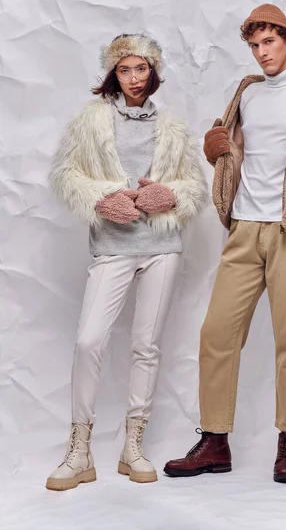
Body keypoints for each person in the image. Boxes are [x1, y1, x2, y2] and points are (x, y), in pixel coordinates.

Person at [164, 4, 286, 483]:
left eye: (269, 41)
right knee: (217, 334)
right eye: (254, 44)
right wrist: (216, 149)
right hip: (244, 229)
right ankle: (215, 442)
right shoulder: (246, 90)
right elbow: (230, 146)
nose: (261, 52)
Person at [46, 33, 208, 491]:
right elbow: (65, 174)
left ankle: (132, 446)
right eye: (124, 69)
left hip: (161, 247)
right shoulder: (91, 120)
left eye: (141, 69)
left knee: (146, 347)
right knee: (88, 341)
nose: (134, 78)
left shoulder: (172, 127)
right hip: (113, 246)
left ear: (153, 72)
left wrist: (169, 195)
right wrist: (100, 199)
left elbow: (193, 186)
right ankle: (79, 451)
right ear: (112, 73)